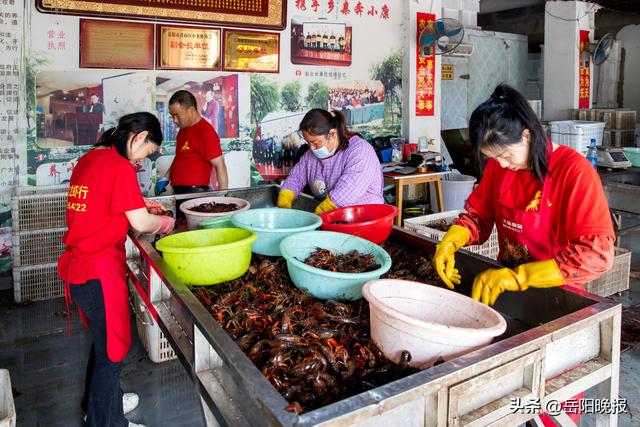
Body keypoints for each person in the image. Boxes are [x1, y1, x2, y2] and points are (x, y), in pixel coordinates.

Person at [432, 83, 615, 307]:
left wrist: (520, 277)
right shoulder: (499, 168)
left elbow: (596, 255)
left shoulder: (574, 172)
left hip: (558, 295)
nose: (501, 164)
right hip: (504, 287)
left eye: (506, 155)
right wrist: (448, 243)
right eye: (492, 158)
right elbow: (477, 217)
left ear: (527, 135)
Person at [58, 112, 175, 427]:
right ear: (138, 138)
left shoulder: (92, 158)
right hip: (98, 272)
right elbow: (139, 223)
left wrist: (140, 205)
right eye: (146, 152)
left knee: (102, 341)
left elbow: (104, 204)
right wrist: (163, 222)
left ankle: (96, 404)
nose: (141, 160)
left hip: (80, 269)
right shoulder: (118, 166)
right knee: (112, 351)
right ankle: (106, 421)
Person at [277, 109, 384, 214]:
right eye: (308, 142)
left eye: (315, 142)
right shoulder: (310, 156)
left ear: (332, 134)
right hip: (336, 219)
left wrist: (319, 215)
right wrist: (285, 200)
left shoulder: (360, 150)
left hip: (366, 218)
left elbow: (348, 191)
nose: (311, 148)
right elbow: (296, 178)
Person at [155, 90, 228, 195]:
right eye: (172, 116)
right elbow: (181, 157)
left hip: (196, 193)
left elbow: (220, 166)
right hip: (178, 191)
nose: (175, 120)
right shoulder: (182, 131)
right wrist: (166, 177)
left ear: (192, 110)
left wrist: (222, 196)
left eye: (178, 115)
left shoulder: (205, 132)